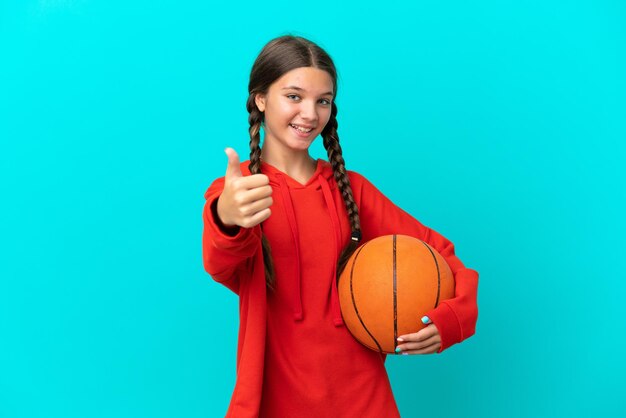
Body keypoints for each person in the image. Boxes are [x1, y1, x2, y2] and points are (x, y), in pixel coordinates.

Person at [202, 34, 479, 418]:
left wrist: (453, 319)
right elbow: (220, 263)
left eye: (323, 101)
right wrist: (226, 215)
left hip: (363, 400)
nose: (310, 114)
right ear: (261, 99)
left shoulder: (353, 191)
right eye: (294, 96)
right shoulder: (242, 194)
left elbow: (442, 256)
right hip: (273, 401)